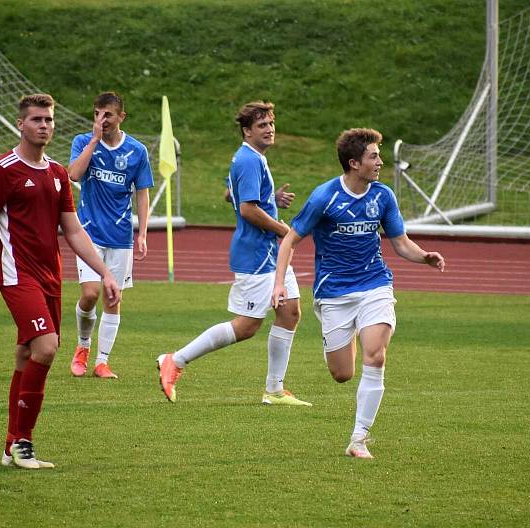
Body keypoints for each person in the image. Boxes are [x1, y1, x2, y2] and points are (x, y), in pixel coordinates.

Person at [0, 93, 120, 470]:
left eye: (48, 120)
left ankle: (10, 445)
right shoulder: (3, 170)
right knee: (46, 348)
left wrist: (106, 272)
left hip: (50, 277)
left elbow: (74, 231)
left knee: (26, 354)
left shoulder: (58, 173)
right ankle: (23, 444)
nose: (44, 126)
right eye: (36, 120)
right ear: (21, 124)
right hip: (17, 276)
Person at [271, 128, 445, 459]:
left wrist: (424, 257)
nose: (380, 162)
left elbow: (400, 243)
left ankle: (358, 438)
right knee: (342, 374)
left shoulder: (383, 197)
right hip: (334, 292)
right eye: (373, 156)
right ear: (354, 163)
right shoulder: (325, 197)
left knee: (376, 355)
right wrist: (279, 283)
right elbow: (290, 239)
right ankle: (346, 340)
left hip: (374, 285)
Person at [157, 101, 310, 406]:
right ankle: (175, 360)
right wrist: (283, 230)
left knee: (290, 310)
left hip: (269, 252)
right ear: (247, 131)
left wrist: (272, 198)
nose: (269, 129)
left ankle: (275, 390)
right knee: (247, 325)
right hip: (256, 254)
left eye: (271, 123)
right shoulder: (249, 160)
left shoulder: (250, 158)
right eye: (262, 125)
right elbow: (247, 209)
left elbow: (231, 194)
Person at [67, 92, 154, 379]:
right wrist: (93, 141)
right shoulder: (83, 142)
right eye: (97, 114)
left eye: (107, 115)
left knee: (113, 298)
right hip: (88, 232)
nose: (101, 120)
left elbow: (142, 193)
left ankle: (102, 361)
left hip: (120, 237)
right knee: (90, 293)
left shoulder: (137, 151)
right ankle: (82, 346)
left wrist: (142, 232)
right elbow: (74, 174)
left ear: (121, 117)